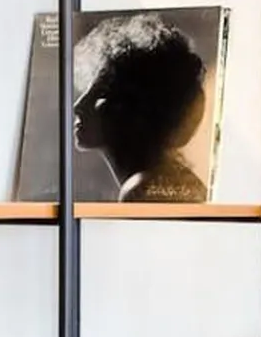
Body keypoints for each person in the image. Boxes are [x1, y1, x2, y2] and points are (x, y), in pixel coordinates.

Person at [71, 13, 210, 202]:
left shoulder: (142, 189)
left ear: (136, 108)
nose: (78, 106)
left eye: (101, 93)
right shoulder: (170, 180)